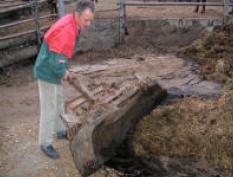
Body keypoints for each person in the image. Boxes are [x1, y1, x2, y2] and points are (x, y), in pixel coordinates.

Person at [33, 0, 95, 159]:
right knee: (49, 106)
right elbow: (55, 61)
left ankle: (60, 130)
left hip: (54, 66)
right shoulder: (67, 30)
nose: (88, 24)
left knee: (59, 99)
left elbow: (60, 55)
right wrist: (64, 72)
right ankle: (45, 142)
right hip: (47, 70)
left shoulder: (73, 23)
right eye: (86, 20)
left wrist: (63, 69)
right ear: (77, 14)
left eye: (90, 20)